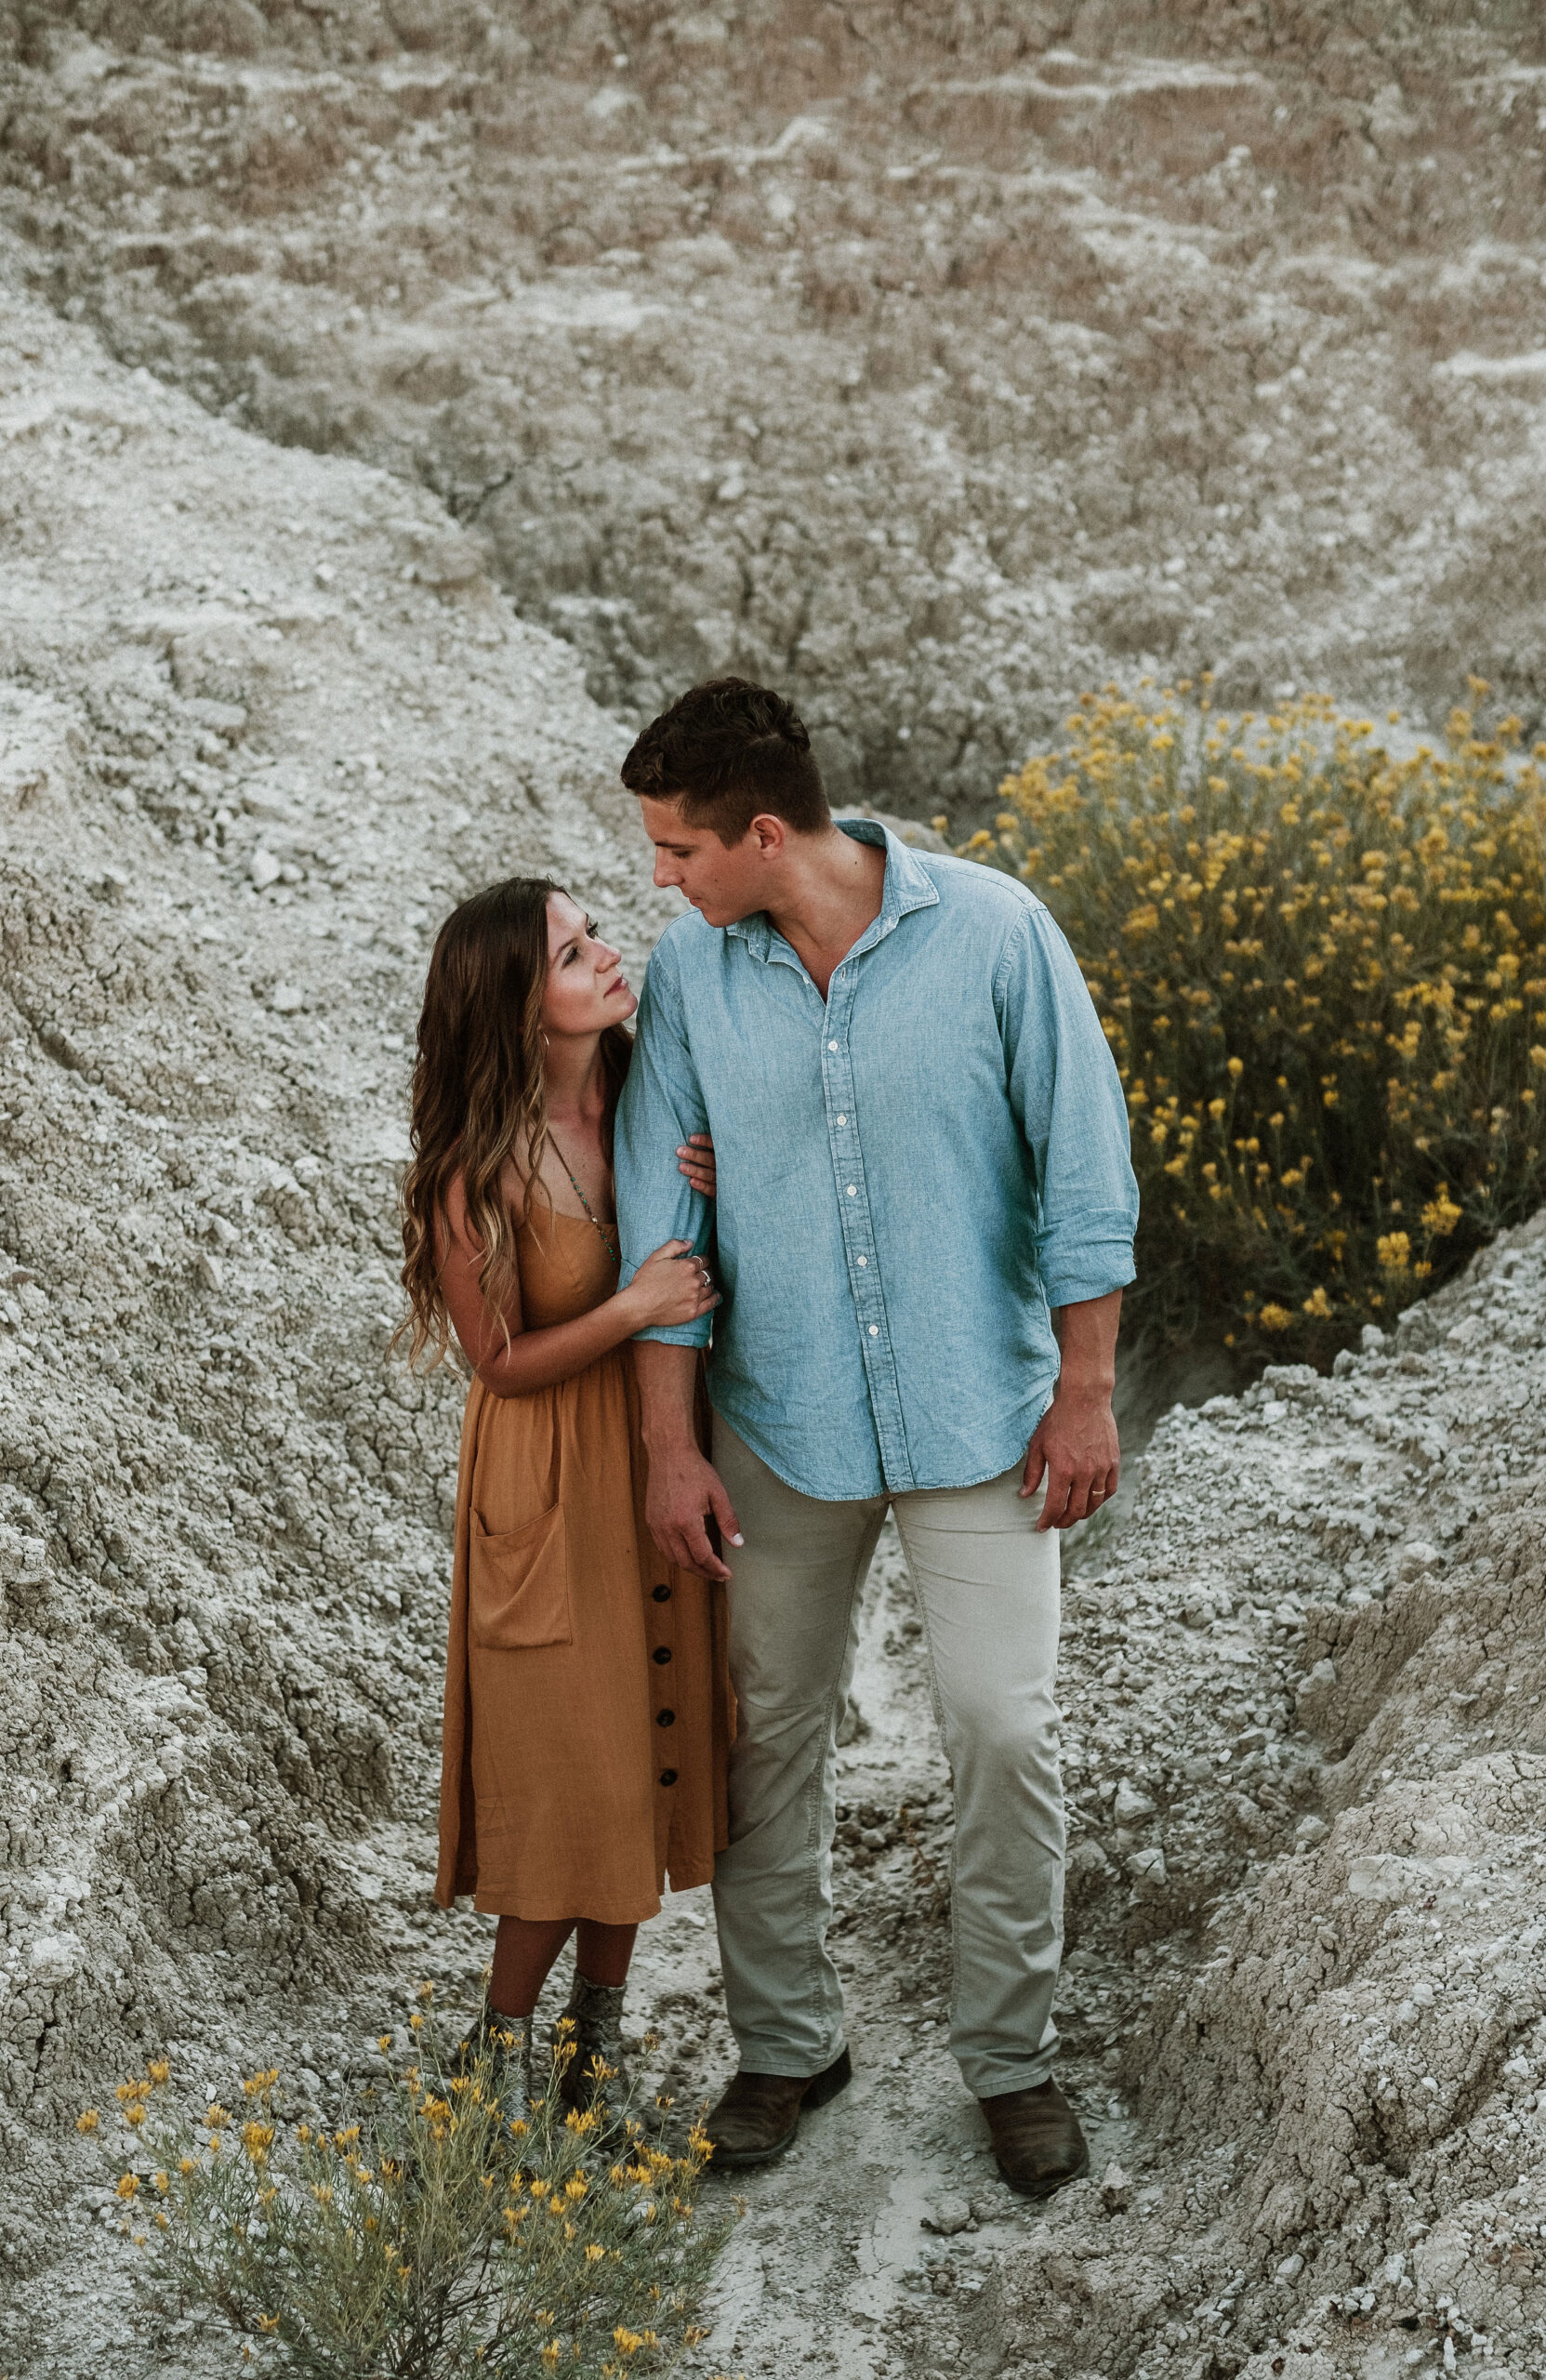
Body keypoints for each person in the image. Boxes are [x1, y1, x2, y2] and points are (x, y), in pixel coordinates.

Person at [611, 680, 1139, 2198]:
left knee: (1004, 1726)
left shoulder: (994, 932)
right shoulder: (696, 978)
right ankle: (786, 2044)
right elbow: (666, 1215)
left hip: (985, 1410)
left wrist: (1085, 1390)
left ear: (764, 833)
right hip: (778, 1424)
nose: (662, 879)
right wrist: (670, 1445)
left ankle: (1013, 2060)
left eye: (676, 849)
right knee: (768, 1739)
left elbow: (1085, 1164)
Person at [395, 876, 733, 2114]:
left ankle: (595, 2050)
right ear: (514, 1007)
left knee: (639, 1754)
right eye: (571, 952)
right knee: (565, 1777)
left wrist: (717, 1170)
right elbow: (499, 1363)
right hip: (542, 1484)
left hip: (654, 1454)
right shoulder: (472, 1171)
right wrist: (633, 1307)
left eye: (596, 933)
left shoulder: (652, 1101)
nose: (606, 955)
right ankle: (492, 2058)